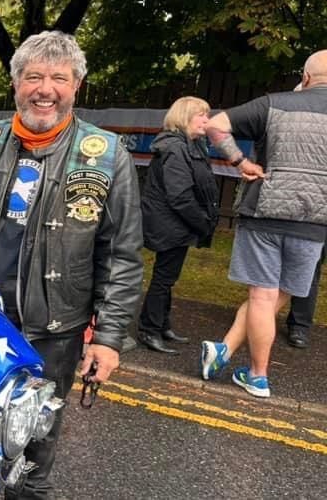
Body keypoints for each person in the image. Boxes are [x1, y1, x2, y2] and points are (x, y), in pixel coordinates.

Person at [0, 31, 143, 498]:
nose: (44, 89)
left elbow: (122, 255)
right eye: (33, 77)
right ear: (15, 84)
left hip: (52, 332)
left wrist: (108, 339)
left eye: (58, 78)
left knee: (30, 450)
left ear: (77, 86)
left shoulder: (107, 154)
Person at [200, 49, 327, 398]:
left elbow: (215, 124)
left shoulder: (274, 103)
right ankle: (226, 353)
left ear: (304, 78)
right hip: (315, 221)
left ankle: (256, 374)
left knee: (263, 295)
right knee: (277, 295)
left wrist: (240, 161)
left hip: (265, 211)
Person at [137, 96, 220, 354]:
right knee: (164, 278)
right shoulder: (176, 148)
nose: (206, 120)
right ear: (184, 117)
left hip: (175, 224)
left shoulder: (189, 146)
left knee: (167, 277)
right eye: (201, 115)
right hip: (170, 224)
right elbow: (180, 195)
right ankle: (149, 329)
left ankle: (161, 324)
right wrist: (203, 223)